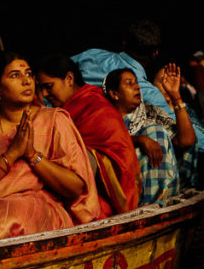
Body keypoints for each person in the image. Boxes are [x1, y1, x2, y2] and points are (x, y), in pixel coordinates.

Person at [0, 52, 99, 244]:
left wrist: (32, 155)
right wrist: (12, 154)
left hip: (39, 208)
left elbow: (76, 187)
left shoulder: (54, 119)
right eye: (15, 75)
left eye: (29, 74)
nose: (27, 81)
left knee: (7, 219)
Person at [72, 20, 204, 162]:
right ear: (155, 54)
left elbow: (58, 70)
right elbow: (187, 133)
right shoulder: (142, 90)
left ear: (125, 43)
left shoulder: (92, 54)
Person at [37, 54, 140, 217]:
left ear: (69, 79)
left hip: (113, 185)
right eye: (41, 89)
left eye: (49, 86)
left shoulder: (93, 104)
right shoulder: (71, 105)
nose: (44, 94)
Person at [104, 65, 196, 204]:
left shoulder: (150, 112)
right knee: (153, 131)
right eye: (129, 83)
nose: (137, 87)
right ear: (114, 94)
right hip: (126, 188)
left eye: (136, 83)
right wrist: (140, 140)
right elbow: (104, 144)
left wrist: (175, 96)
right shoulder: (105, 119)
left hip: (169, 187)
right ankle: (151, 202)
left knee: (174, 130)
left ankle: (168, 196)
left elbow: (187, 141)